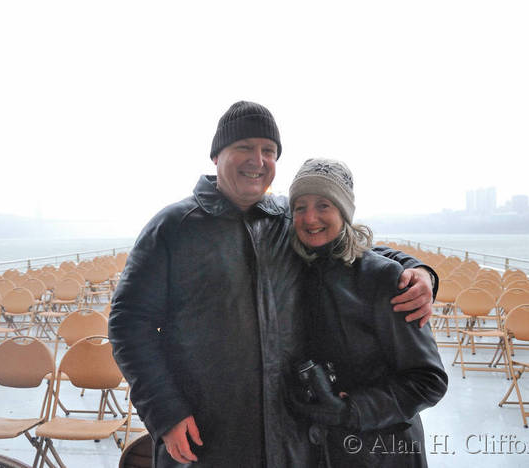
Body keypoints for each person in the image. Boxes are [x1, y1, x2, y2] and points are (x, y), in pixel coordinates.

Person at [109, 101, 439, 467]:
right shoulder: (173, 227)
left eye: (269, 151)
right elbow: (128, 324)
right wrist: (165, 411)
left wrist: (418, 270)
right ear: (217, 156)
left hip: (290, 437)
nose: (258, 160)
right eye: (244, 148)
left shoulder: (288, 218)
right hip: (206, 436)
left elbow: (351, 247)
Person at [287, 158, 448, 467]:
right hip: (322, 451)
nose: (310, 218)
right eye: (300, 207)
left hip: (385, 452)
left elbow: (429, 380)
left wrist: (354, 410)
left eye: (323, 205)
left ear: (344, 212)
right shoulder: (294, 267)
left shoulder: (385, 278)